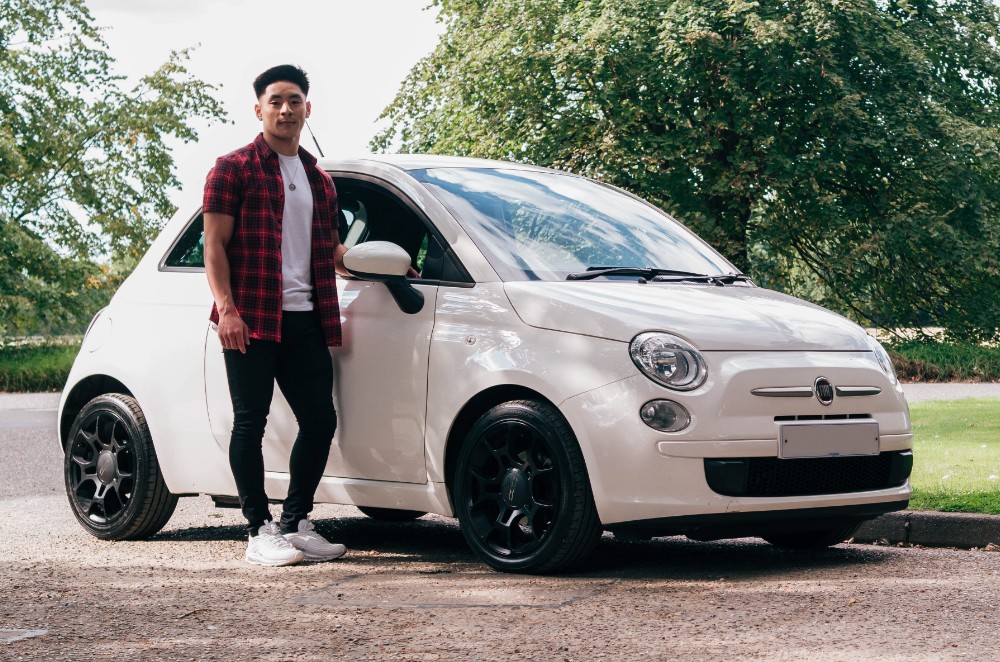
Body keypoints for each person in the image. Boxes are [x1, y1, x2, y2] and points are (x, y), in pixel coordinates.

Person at [203, 64, 347, 567]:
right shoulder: (233, 168)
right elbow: (214, 246)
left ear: (308, 107)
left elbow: (331, 251)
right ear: (258, 108)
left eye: (295, 100)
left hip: (305, 317)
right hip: (252, 318)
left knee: (320, 420)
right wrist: (228, 310)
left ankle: (295, 522)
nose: (286, 110)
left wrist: (392, 262)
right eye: (276, 101)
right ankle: (257, 530)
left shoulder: (319, 179)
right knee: (250, 422)